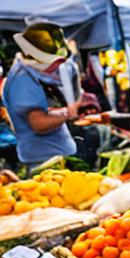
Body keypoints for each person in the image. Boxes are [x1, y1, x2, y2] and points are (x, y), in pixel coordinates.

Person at [2, 23, 80, 168]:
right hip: (45, 161)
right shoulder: (22, 80)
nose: (57, 66)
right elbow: (39, 124)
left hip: (54, 155)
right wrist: (69, 111)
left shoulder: (33, 73)